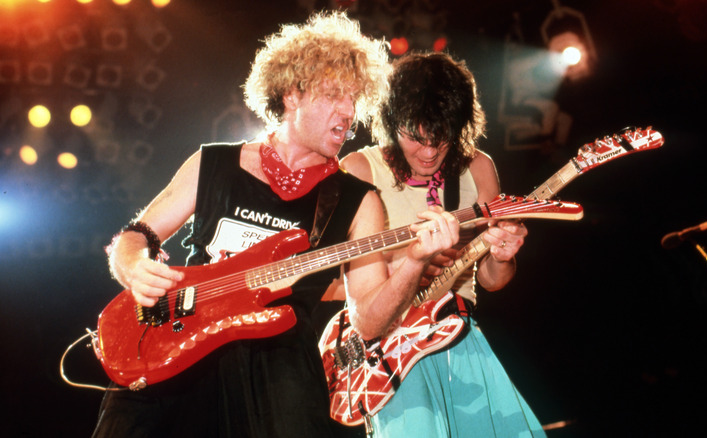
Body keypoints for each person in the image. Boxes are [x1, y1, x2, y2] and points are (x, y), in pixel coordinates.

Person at [91, 12, 460, 437]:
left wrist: (414, 264)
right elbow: (137, 236)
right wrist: (133, 265)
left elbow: (368, 323)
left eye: (354, 99)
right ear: (292, 95)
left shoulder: (358, 202)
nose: (347, 113)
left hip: (277, 376)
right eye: (333, 95)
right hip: (177, 349)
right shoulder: (213, 163)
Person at [336, 52, 547, 437]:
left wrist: (502, 253)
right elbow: (331, 287)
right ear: (390, 122)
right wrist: (403, 270)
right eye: (415, 138)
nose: (429, 152)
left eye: (442, 138)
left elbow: (493, 280)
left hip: (458, 337)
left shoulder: (478, 167)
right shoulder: (358, 170)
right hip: (392, 351)